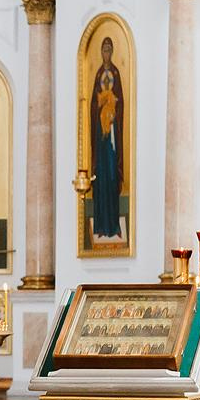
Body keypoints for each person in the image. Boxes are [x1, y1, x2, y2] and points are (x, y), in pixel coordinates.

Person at [88, 36, 126, 244]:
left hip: (112, 135)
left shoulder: (116, 74)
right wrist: (101, 103)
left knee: (112, 179)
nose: (106, 53)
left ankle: (114, 225)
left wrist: (113, 106)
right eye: (104, 50)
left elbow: (120, 102)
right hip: (100, 139)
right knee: (101, 179)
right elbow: (93, 104)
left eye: (109, 50)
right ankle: (101, 225)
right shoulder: (98, 75)